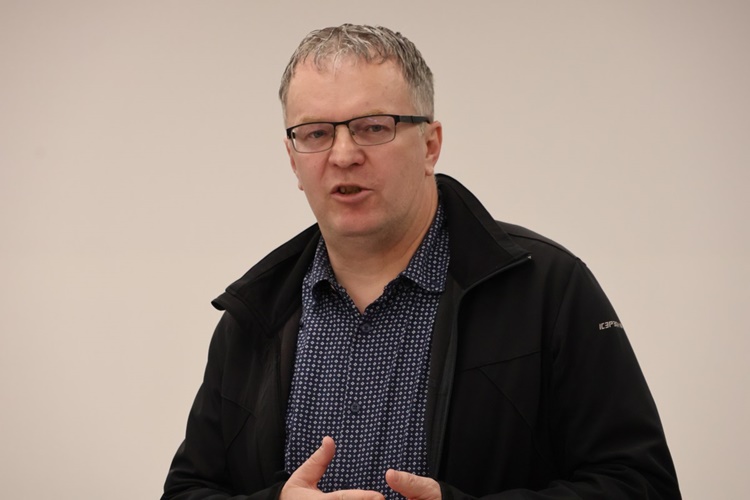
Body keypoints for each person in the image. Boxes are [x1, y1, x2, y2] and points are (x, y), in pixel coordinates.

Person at [162, 24, 681, 499]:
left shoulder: (547, 289)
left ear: (430, 145)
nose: (343, 154)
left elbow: (641, 485)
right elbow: (187, 491)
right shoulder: (254, 316)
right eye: (316, 133)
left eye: (372, 127)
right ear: (293, 160)